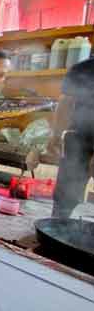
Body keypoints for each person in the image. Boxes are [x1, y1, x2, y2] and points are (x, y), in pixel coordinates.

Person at [50, 57, 94, 218]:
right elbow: (66, 101)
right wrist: (55, 135)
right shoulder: (83, 69)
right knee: (66, 191)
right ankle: (58, 226)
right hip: (79, 136)